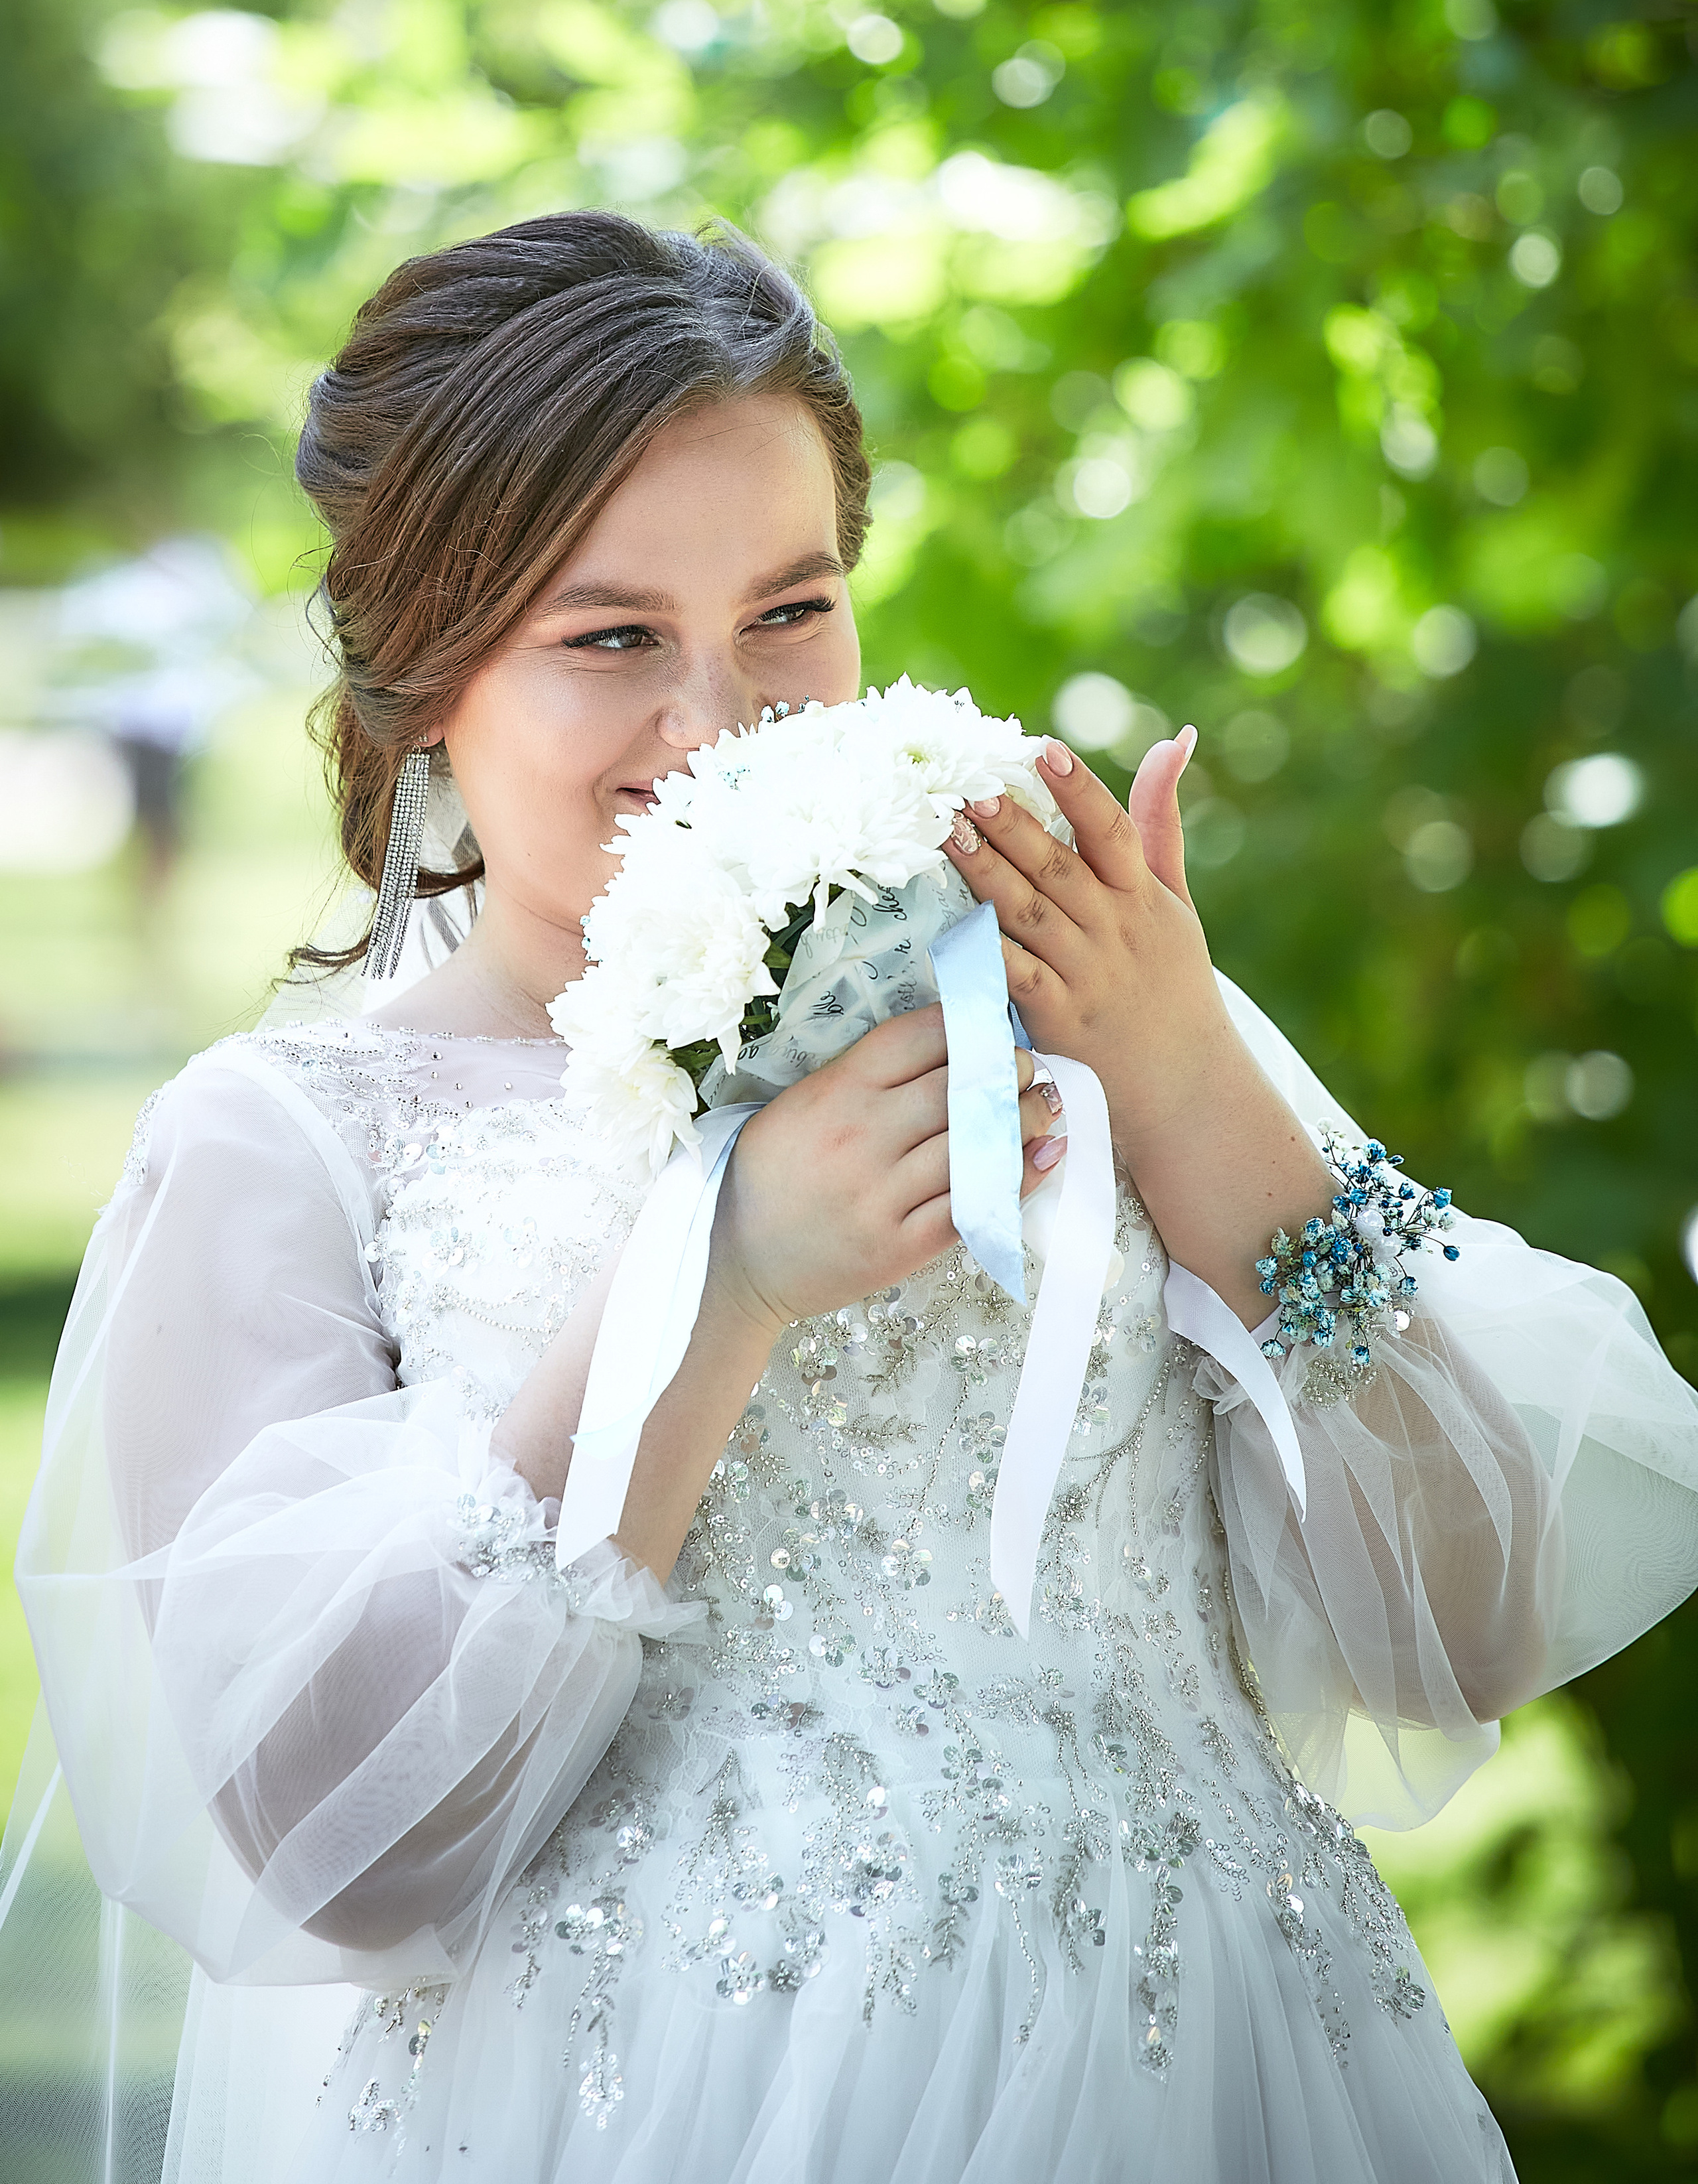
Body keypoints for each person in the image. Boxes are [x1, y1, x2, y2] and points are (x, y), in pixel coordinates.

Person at [7, 210, 1698, 2184]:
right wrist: (717, 1292)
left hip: (1218, 2071)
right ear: (424, 679)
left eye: (792, 612)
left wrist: (1183, 1069)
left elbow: (1464, 1629)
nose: (720, 720)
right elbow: (339, 1849)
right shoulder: (286, 1142)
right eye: (611, 636)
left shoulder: (1075, 990)